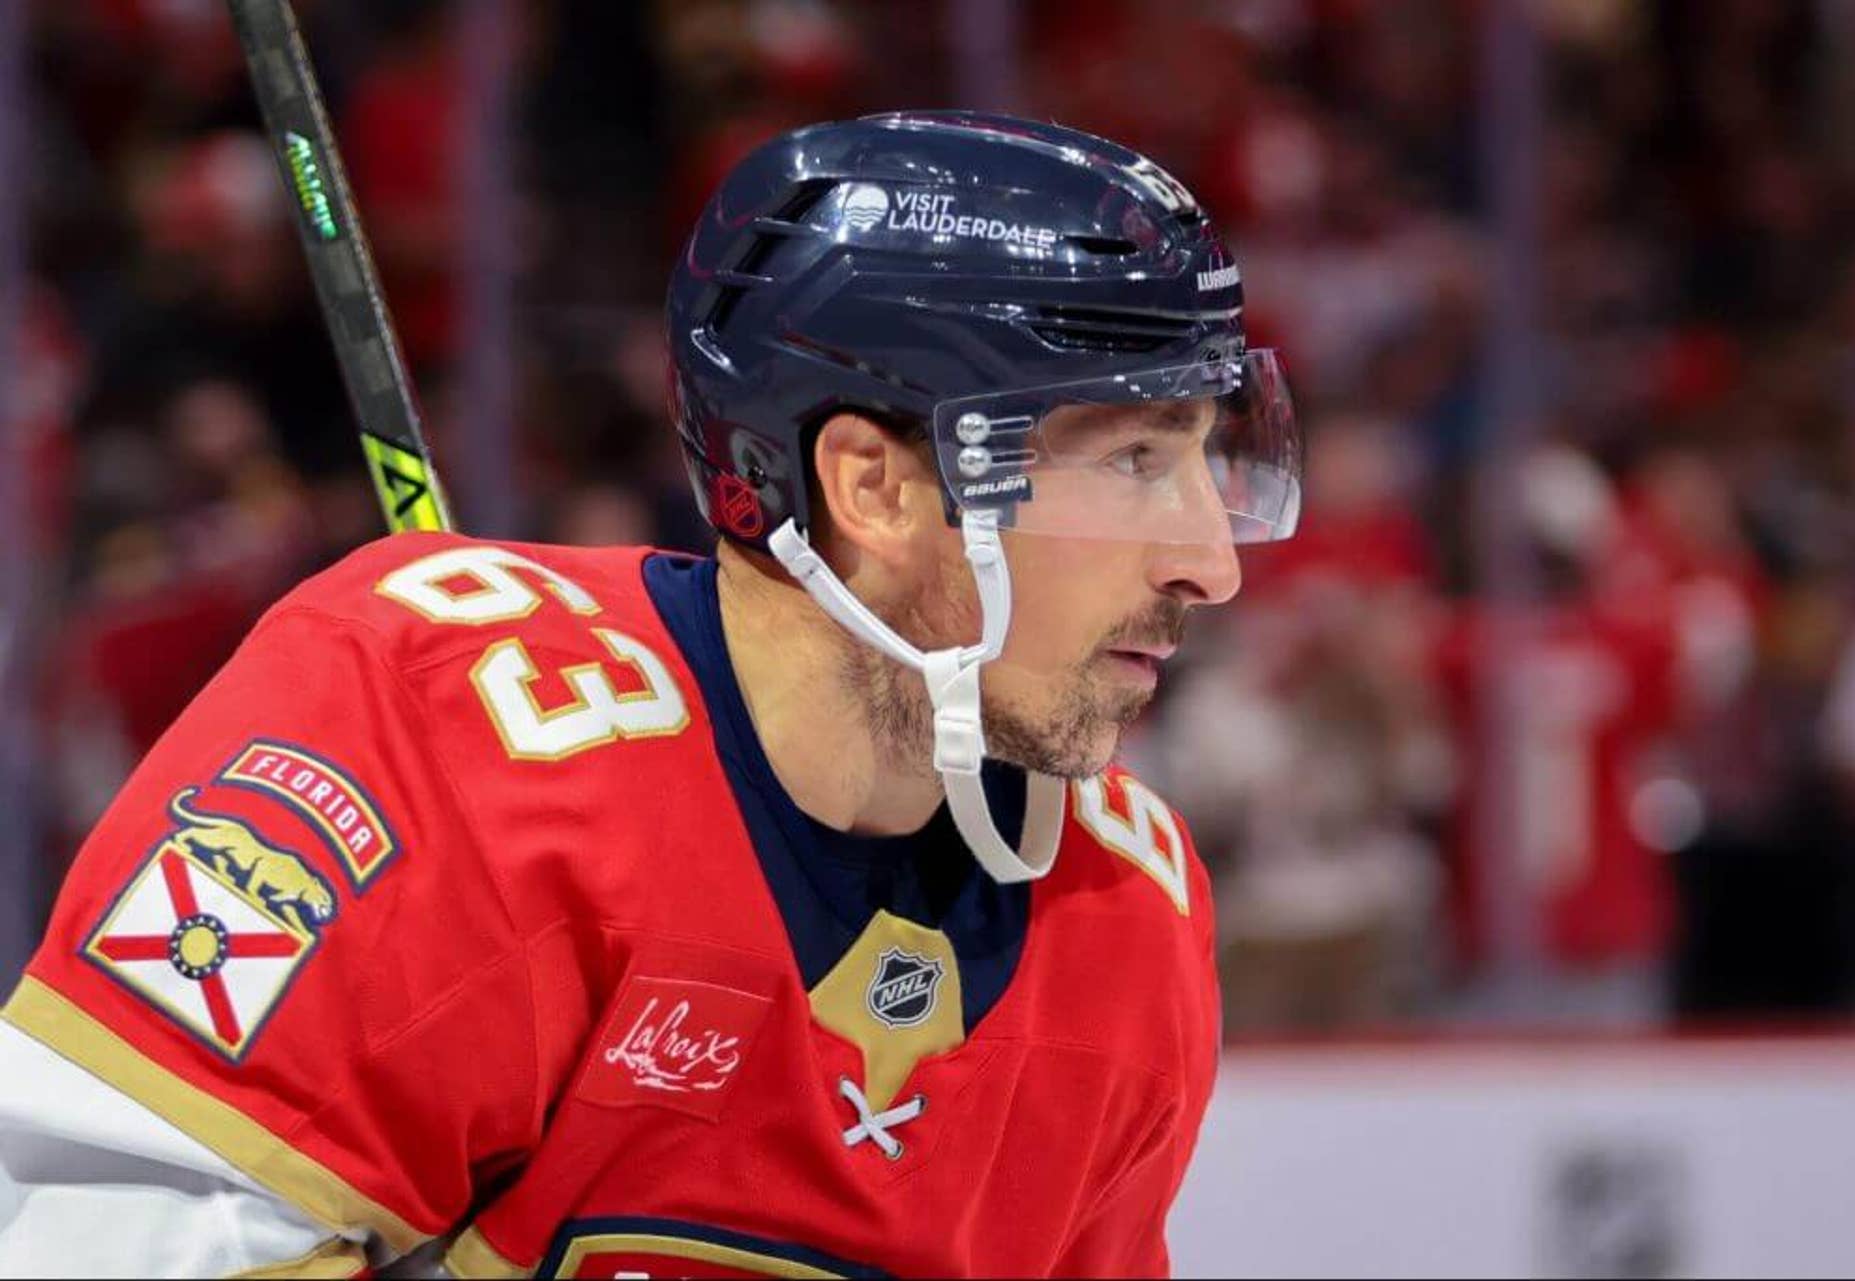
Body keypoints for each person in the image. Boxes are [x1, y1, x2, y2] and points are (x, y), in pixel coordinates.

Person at [0, 112, 1302, 1277]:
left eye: (1205, 458)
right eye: (1136, 460)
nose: (1213, 561)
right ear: (873, 486)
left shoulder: (1125, 917)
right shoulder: (425, 731)